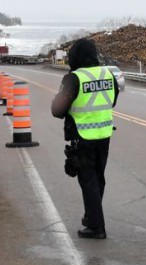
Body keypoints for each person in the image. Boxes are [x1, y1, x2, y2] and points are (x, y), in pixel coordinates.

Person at [51, 38, 119, 239]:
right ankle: (91, 218)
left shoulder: (74, 78)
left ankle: (96, 226)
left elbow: (57, 110)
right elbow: (112, 101)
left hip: (83, 135)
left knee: (88, 180)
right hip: (104, 134)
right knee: (98, 179)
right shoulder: (108, 74)